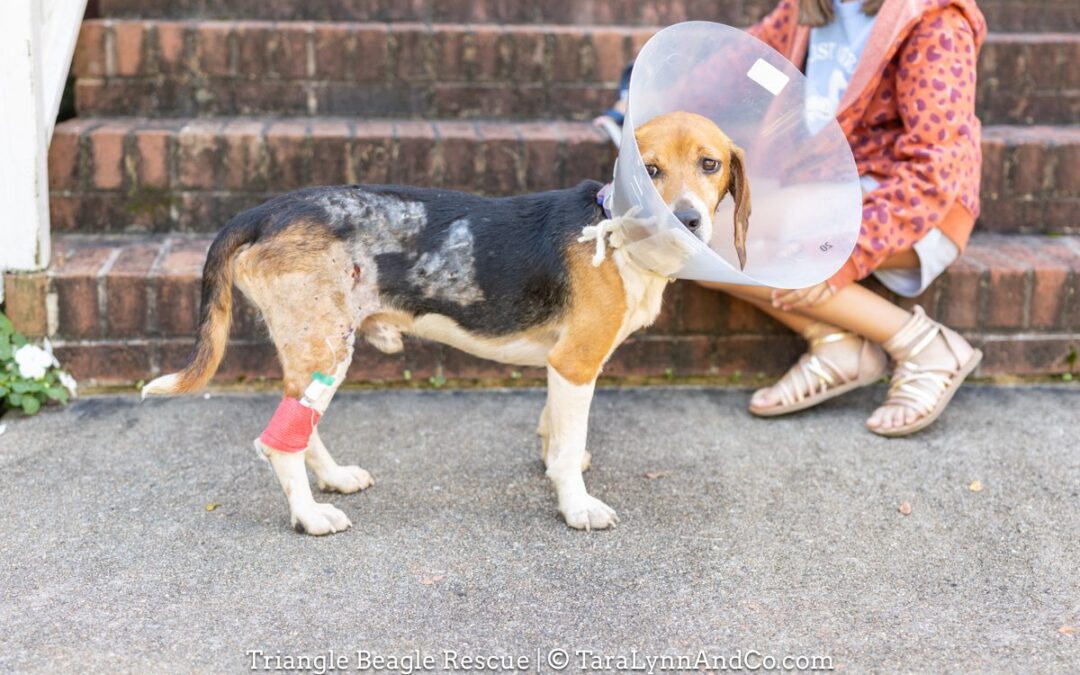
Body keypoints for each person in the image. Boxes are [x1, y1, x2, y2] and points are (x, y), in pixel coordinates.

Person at [595, 0, 988, 436]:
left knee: (729, 242)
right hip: (828, 189)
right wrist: (648, 107)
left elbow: (933, 171)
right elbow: (736, 66)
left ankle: (925, 345)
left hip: (912, 208)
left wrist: (846, 256)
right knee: (694, 239)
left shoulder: (934, 21)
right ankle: (836, 344)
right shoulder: (810, 8)